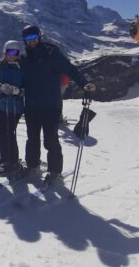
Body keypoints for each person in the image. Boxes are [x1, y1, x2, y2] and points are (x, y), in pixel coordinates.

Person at [20, 25, 96, 185]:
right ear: (24, 41)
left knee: (50, 140)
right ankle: (32, 165)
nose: (31, 41)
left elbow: (71, 70)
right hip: (32, 106)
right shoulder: (26, 59)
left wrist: (85, 84)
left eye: (33, 37)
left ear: (39, 37)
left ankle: (54, 171)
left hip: (51, 106)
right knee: (32, 139)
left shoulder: (52, 54)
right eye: (28, 39)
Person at [0, 40, 24, 175]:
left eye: (15, 53)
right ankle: (5, 157)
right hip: (0, 105)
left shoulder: (22, 68)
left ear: (19, 54)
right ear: (5, 53)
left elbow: (27, 86)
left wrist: (18, 91)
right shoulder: (0, 66)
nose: (12, 55)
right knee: (2, 132)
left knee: (9, 133)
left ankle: (13, 161)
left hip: (14, 107)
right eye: (9, 52)